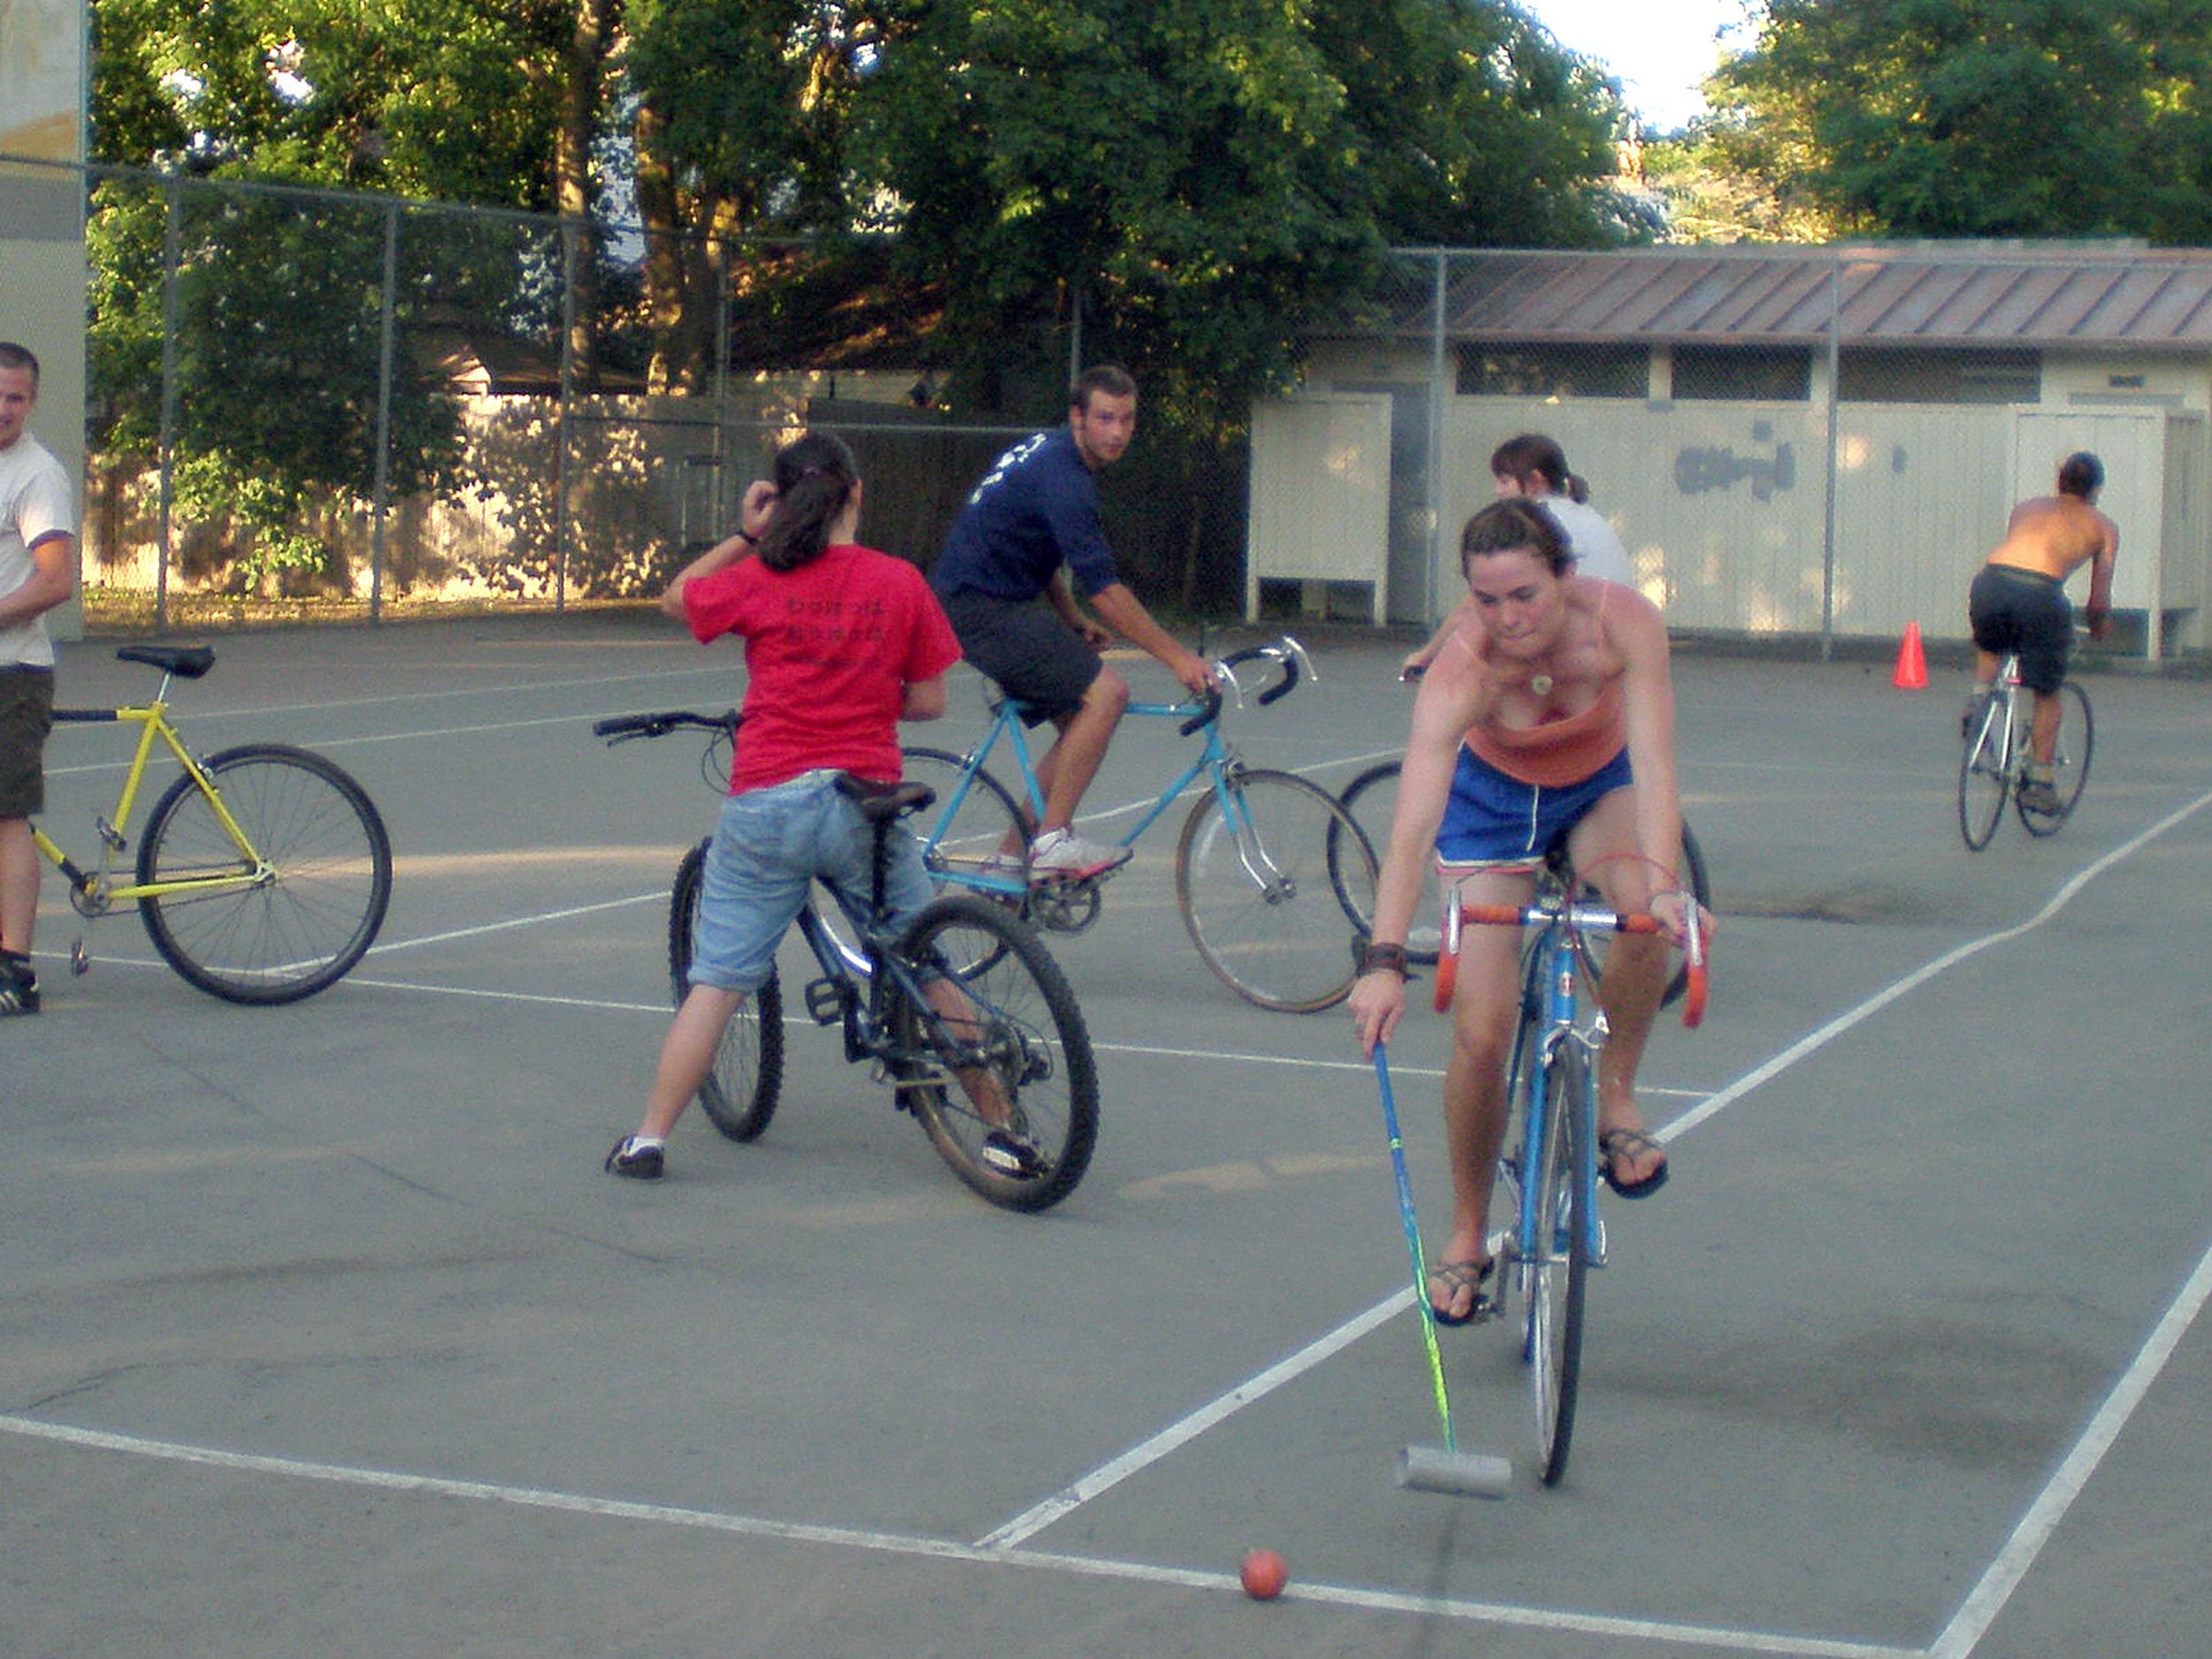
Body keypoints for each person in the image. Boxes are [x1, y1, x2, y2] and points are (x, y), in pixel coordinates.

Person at [606, 433, 1037, 1182]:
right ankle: (1002, 1130)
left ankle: (649, 1138)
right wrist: (865, 694)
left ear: (781, 498)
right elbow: (931, 701)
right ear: (857, 493)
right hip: (864, 804)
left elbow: (677, 598)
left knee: (718, 978)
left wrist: (748, 534)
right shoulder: (899, 581)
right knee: (922, 960)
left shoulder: (762, 576)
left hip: (768, 801)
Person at [1349, 498, 1704, 1325]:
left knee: (1640, 914)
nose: (1507, 618)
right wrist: (1382, 960)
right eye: (1487, 599)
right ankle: (1468, 1228)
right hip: (1492, 806)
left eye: (1525, 596)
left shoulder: (1625, 626)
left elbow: (1653, 762)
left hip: (1597, 786)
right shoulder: (1461, 674)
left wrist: (1662, 885)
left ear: (1566, 579)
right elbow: (1410, 831)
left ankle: (1615, 1095)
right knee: (1482, 1027)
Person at [932, 365, 1215, 879]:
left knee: (1078, 726)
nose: (1117, 432)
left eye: (1127, 419)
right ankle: (1053, 842)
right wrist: (1178, 657)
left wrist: (1069, 617)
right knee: (1108, 695)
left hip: (990, 600)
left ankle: (1009, 858)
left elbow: (1033, 547)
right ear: (1077, 417)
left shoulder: (1050, 453)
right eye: (1105, 418)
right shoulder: (1065, 478)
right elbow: (1106, 589)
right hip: (978, 608)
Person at [1403, 433, 1634, 680]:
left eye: (1504, 481)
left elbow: (1473, 606)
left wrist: (1426, 655)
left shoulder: (1539, 524)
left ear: (1535, 481)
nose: (1498, 491)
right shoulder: (1585, 513)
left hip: (1585, 651)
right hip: (1618, 643)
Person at [1966, 452, 2117, 814]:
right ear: (2096, 489)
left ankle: (1979, 702)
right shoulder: (2103, 528)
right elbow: (2098, 600)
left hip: (1991, 582)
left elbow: (2017, 559)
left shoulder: (2026, 508)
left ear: (2059, 480)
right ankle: (2042, 780)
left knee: (1993, 642)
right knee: (2047, 692)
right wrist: (2098, 627)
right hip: (2041, 594)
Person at [0, 342, 79, 1017]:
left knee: (5, 818)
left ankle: (15, 971)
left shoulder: (36, 475)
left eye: (14, 398)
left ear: (31, 402)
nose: (1, 409)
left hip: (12, 674)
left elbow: (56, 582)